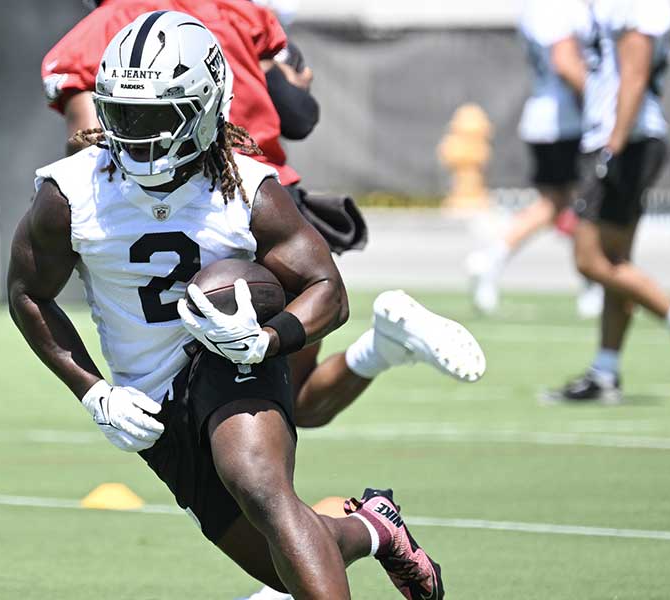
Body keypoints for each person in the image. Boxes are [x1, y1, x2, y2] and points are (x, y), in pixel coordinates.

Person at [10, 13, 445, 598]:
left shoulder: (247, 189)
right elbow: (28, 294)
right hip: (148, 393)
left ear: (206, 110)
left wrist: (268, 339)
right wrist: (94, 392)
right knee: (278, 561)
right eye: (124, 114)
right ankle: (375, 529)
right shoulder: (69, 193)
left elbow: (328, 290)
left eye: (158, 116)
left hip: (232, 352)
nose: (137, 134)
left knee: (259, 485)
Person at [43, 0, 485, 438]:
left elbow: (87, 142)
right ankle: (382, 346)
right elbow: (299, 116)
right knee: (297, 397)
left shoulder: (107, 28)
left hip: (198, 208)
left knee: (260, 396)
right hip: (273, 198)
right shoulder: (235, 10)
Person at [547, 0, 670, 403]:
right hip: (619, 138)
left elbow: (635, 72)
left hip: (625, 141)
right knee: (616, 262)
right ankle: (605, 371)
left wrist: (613, 145)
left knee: (589, 259)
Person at [467, 0, 603, 318]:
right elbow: (565, 62)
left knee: (559, 205)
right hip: (564, 122)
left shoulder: (538, 9)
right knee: (578, 204)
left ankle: (590, 280)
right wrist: (600, 103)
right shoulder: (557, 9)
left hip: (549, 117)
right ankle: (593, 280)